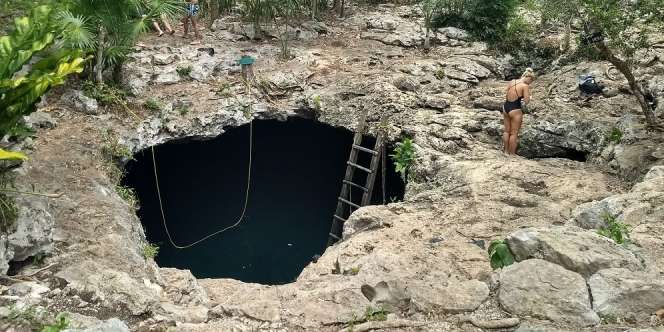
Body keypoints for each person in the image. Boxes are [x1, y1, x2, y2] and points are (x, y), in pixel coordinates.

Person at [502, 68, 536, 155]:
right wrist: (529, 97)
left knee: (506, 131)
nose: (530, 83)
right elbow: (526, 101)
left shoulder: (512, 81)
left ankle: (505, 152)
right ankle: (512, 154)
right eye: (531, 81)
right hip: (515, 109)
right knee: (514, 133)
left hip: (506, 107)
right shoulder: (525, 86)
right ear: (528, 78)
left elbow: (506, 91)